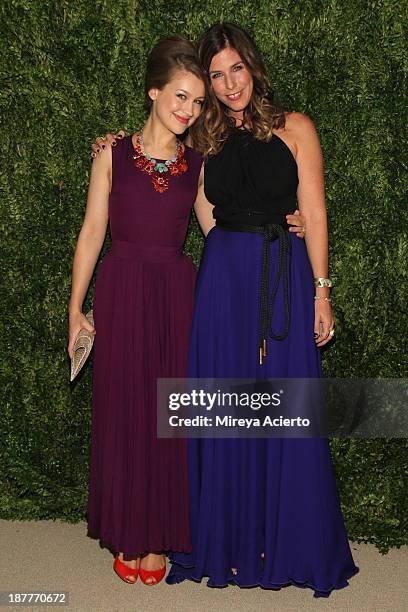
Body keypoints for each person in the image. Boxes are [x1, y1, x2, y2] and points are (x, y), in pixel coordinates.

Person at [162, 23, 359, 598]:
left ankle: (284, 540)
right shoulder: (206, 137)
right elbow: (196, 201)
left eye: (235, 70)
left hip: (285, 275)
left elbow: (315, 212)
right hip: (225, 277)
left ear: (253, 66)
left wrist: (321, 290)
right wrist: (230, 251)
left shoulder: (297, 128)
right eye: (216, 75)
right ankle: (230, 542)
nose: (227, 85)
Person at [68, 36, 206, 586]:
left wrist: (278, 230)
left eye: (197, 102)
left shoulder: (197, 164)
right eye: (180, 96)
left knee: (167, 417)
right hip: (122, 288)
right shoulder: (111, 154)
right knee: (126, 410)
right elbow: (91, 234)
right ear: (153, 91)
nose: (188, 110)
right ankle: (128, 530)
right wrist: (76, 307)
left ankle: (158, 537)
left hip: (176, 295)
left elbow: (219, 231)